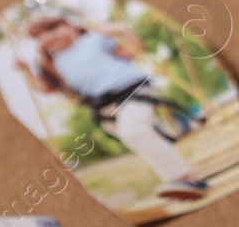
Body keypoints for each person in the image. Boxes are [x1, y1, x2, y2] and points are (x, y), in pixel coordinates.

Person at [14, 15, 210, 202]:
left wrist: (121, 31)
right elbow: (46, 88)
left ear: (70, 25)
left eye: (52, 29)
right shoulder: (52, 62)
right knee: (134, 136)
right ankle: (180, 175)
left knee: (133, 131)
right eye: (38, 36)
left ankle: (185, 178)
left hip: (132, 90)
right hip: (104, 106)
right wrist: (26, 71)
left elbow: (132, 51)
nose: (46, 37)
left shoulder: (94, 39)